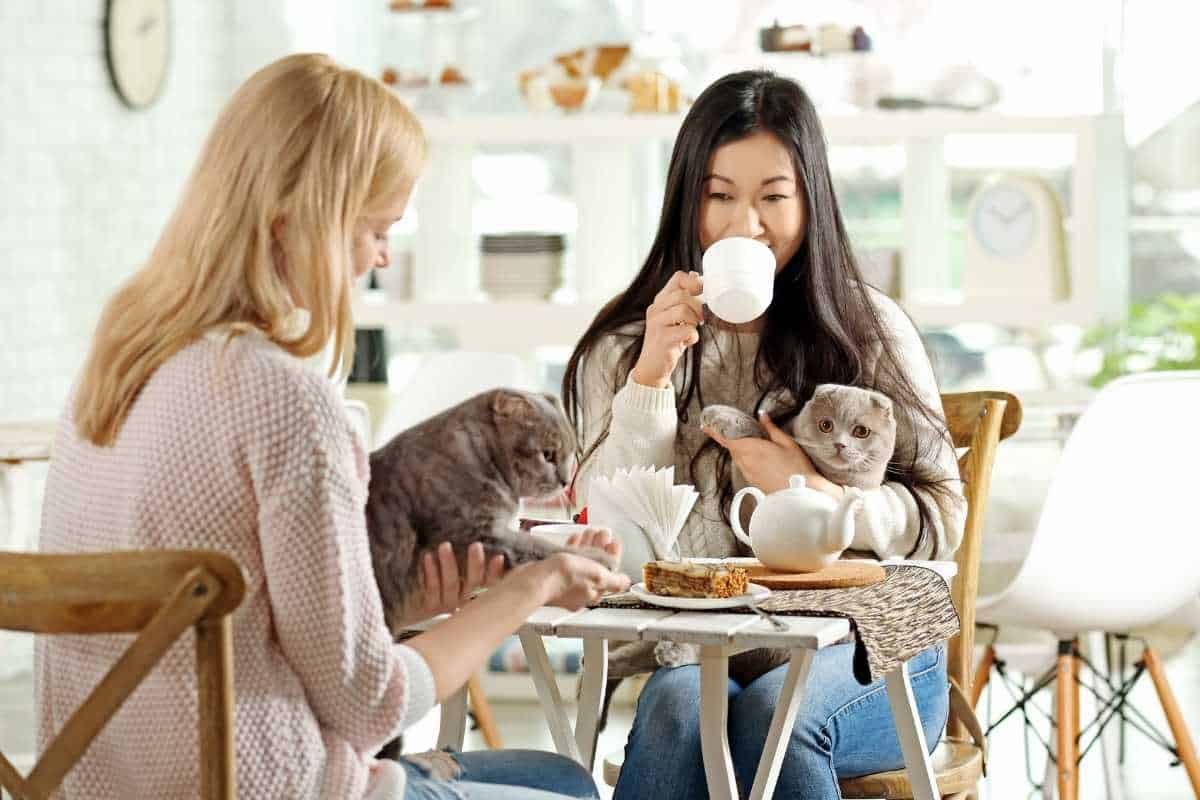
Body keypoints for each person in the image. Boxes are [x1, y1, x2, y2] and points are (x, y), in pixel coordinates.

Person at [35, 53, 628, 800]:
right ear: (300, 222)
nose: (380, 258)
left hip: (100, 789)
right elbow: (367, 707)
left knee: (555, 775)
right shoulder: (287, 402)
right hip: (259, 786)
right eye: (376, 228)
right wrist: (528, 590)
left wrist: (406, 607)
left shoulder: (113, 370)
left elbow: (265, 645)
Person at [562, 70, 966, 799]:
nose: (744, 225)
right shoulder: (624, 349)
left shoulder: (865, 328)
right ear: (688, 200)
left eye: (773, 197)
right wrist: (651, 382)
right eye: (719, 196)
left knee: (769, 719)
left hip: (874, 654)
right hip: (709, 656)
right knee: (680, 707)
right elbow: (609, 539)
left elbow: (945, 517)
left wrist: (818, 498)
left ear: (811, 202)